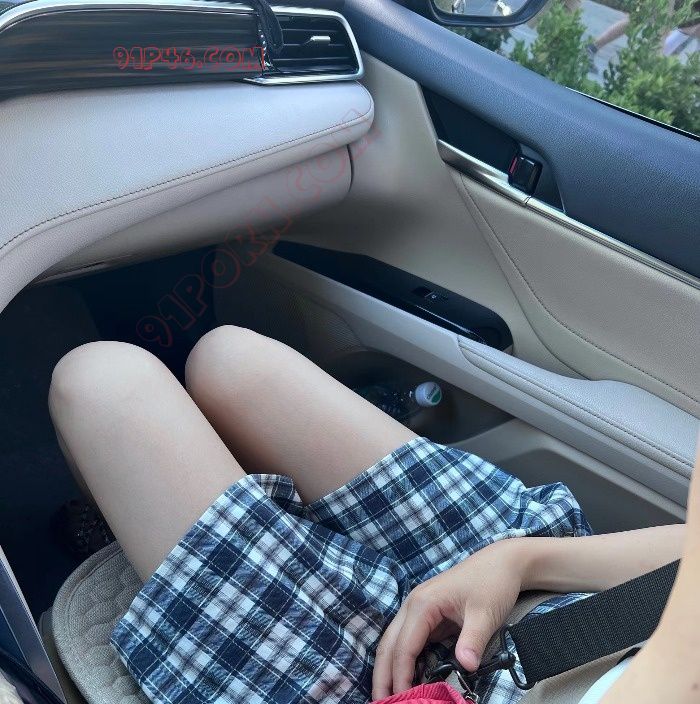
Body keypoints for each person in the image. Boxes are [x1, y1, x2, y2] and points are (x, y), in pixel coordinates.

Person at [48, 326, 689, 704]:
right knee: (230, 361)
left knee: (102, 384)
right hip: (558, 605)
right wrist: (518, 560)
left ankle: (140, 527)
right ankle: (157, 524)